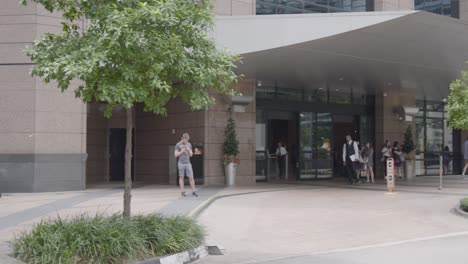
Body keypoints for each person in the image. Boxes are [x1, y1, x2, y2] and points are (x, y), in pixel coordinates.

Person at [174, 133, 198, 197]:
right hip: (181, 163)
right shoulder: (178, 144)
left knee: (191, 177)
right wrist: (182, 151)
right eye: (185, 140)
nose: (186, 141)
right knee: (181, 177)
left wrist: (188, 151)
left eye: (187, 140)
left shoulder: (189, 144)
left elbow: (191, 155)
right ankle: (182, 191)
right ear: (182, 138)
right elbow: (175, 155)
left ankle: (194, 191)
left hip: (188, 163)